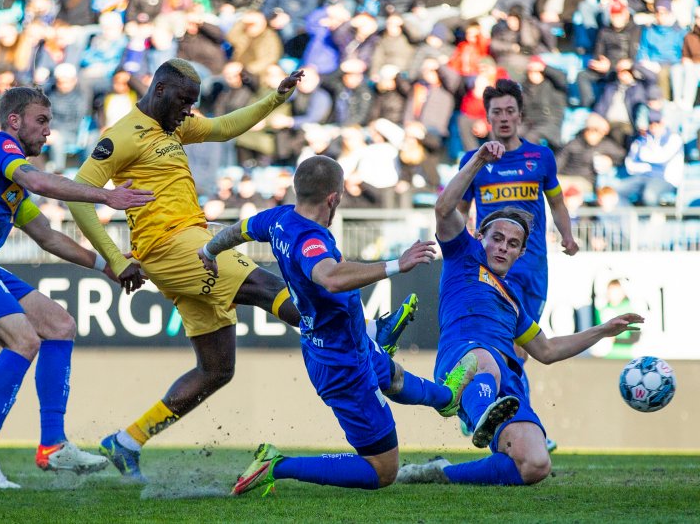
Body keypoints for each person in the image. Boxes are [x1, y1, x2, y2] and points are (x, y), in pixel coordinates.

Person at [67, 59, 415, 481]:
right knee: (264, 286)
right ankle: (368, 337)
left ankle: (126, 442)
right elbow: (79, 195)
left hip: (190, 242)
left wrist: (275, 98)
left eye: (192, 104)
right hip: (171, 248)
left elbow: (225, 127)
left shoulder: (174, 126)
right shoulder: (121, 136)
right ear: (159, 91)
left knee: (216, 369)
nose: (188, 111)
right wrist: (116, 260)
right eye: (183, 102)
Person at [0, 86, 155, 489]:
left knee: (59, 325)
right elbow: (40, 182)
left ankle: (53, 445)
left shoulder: (13, 186)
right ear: (14, 121)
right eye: (41, 121)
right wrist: (106, 196)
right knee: (24, 340)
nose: (48, 132)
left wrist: (107, 266)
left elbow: (48, 237)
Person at [195, 155, 477, 495]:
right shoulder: (310, 241)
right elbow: (329, 277)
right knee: (383, 469)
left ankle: (446, 398)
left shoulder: (279, 219)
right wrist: (396, 264)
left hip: (346, 342)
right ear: (333, 198)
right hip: (341, 363)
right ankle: (277, 465)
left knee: (394, 377)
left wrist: (209, 250)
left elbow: (237, 231)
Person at [395, 140, 644, 486]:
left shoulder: (514, 302)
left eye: (512, 244)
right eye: (497, 238)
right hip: (463, 359)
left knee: (535, 465)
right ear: (481, 235)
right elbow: (442, 208)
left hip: (505, 382)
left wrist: (603, 329)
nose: (502, 247)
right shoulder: (463, 254)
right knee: (487, 360)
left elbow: (548, 351)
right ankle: (480, 415)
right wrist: (479, 160)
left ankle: (441, 473)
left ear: (522, 251)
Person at [456, 79, 578, 452]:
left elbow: (556, 203)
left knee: (520, 349)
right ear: (487, 118)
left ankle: (496, 415)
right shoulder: (474, 162)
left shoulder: (541, 158)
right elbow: (459, 211)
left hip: (533, 269)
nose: (504, 118)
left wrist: (568, 235)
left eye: (510, 111)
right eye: (496, 112)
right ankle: (517, 421)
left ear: (520, 115)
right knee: (507, 346)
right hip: (490, 270)